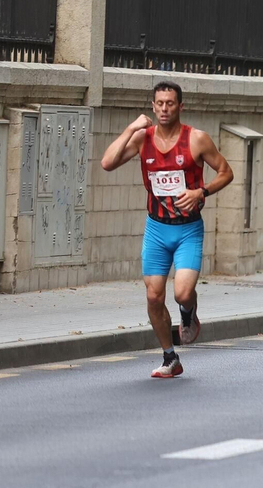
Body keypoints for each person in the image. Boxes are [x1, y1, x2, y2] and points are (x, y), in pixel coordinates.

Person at [100, 80, 234, 379]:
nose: (163, 108)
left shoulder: (197, 139)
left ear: (180, 106)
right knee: (153, 296)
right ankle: (170, 357)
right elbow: (107, 163)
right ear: (152, 106)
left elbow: (226, 172)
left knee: (182, 293)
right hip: (157, 229)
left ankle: (188, 313)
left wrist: (202, 192)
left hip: (187, 230)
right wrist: (130, 129)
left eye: (169, 103)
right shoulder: (141, 138)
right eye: (159, 103)